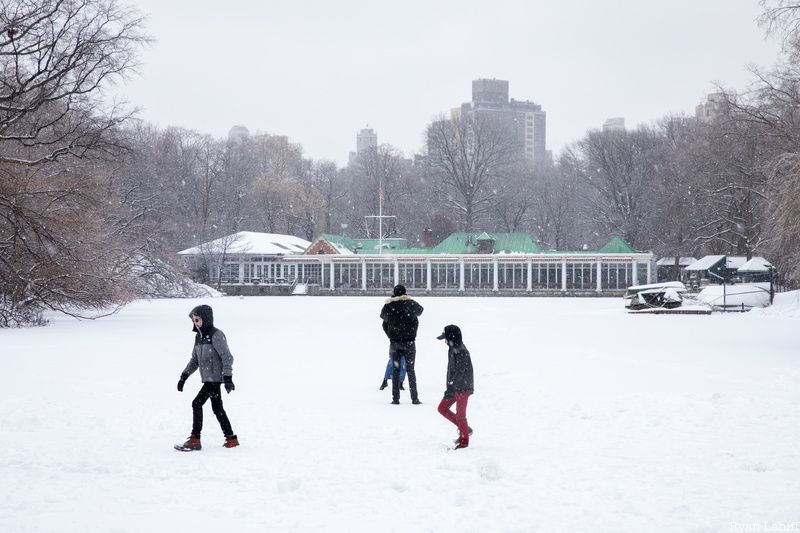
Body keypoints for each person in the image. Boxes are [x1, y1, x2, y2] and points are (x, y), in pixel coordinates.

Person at [174, 304, 239, 451]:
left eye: (197, 320)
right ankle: (231, 438)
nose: (195, 323)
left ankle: (195, 439)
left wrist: (228, 377)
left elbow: (227, 357)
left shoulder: (216, 335)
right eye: (194, 321)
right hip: (208, 379)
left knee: (197, 403)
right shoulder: (199, 337)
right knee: (217, 408)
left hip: (215, 379)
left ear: (206, 319)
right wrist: (184, 376)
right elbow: (194, 361)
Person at [379, 284, 423, 405]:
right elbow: (420, 311)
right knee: (411, 370)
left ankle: (395, 399)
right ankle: (414, 398)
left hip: (395, 343)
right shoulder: (411, 304)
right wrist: (408, 301)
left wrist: (390, 334)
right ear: (405, 293)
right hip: (409, 342)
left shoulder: (389, 305)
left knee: (396, 370)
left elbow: (383, 318)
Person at [436, 324, 474, 450]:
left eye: (445, 338)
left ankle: (464, 441)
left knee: (460, 416)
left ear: (452, 338)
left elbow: (460, 371)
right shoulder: (452, 349)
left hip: (463, 387)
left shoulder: (462, 351)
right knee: (442, 408)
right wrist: (450, 387)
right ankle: (465, 429)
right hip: (454, 386)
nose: (444, 341)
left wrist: (451, 387)